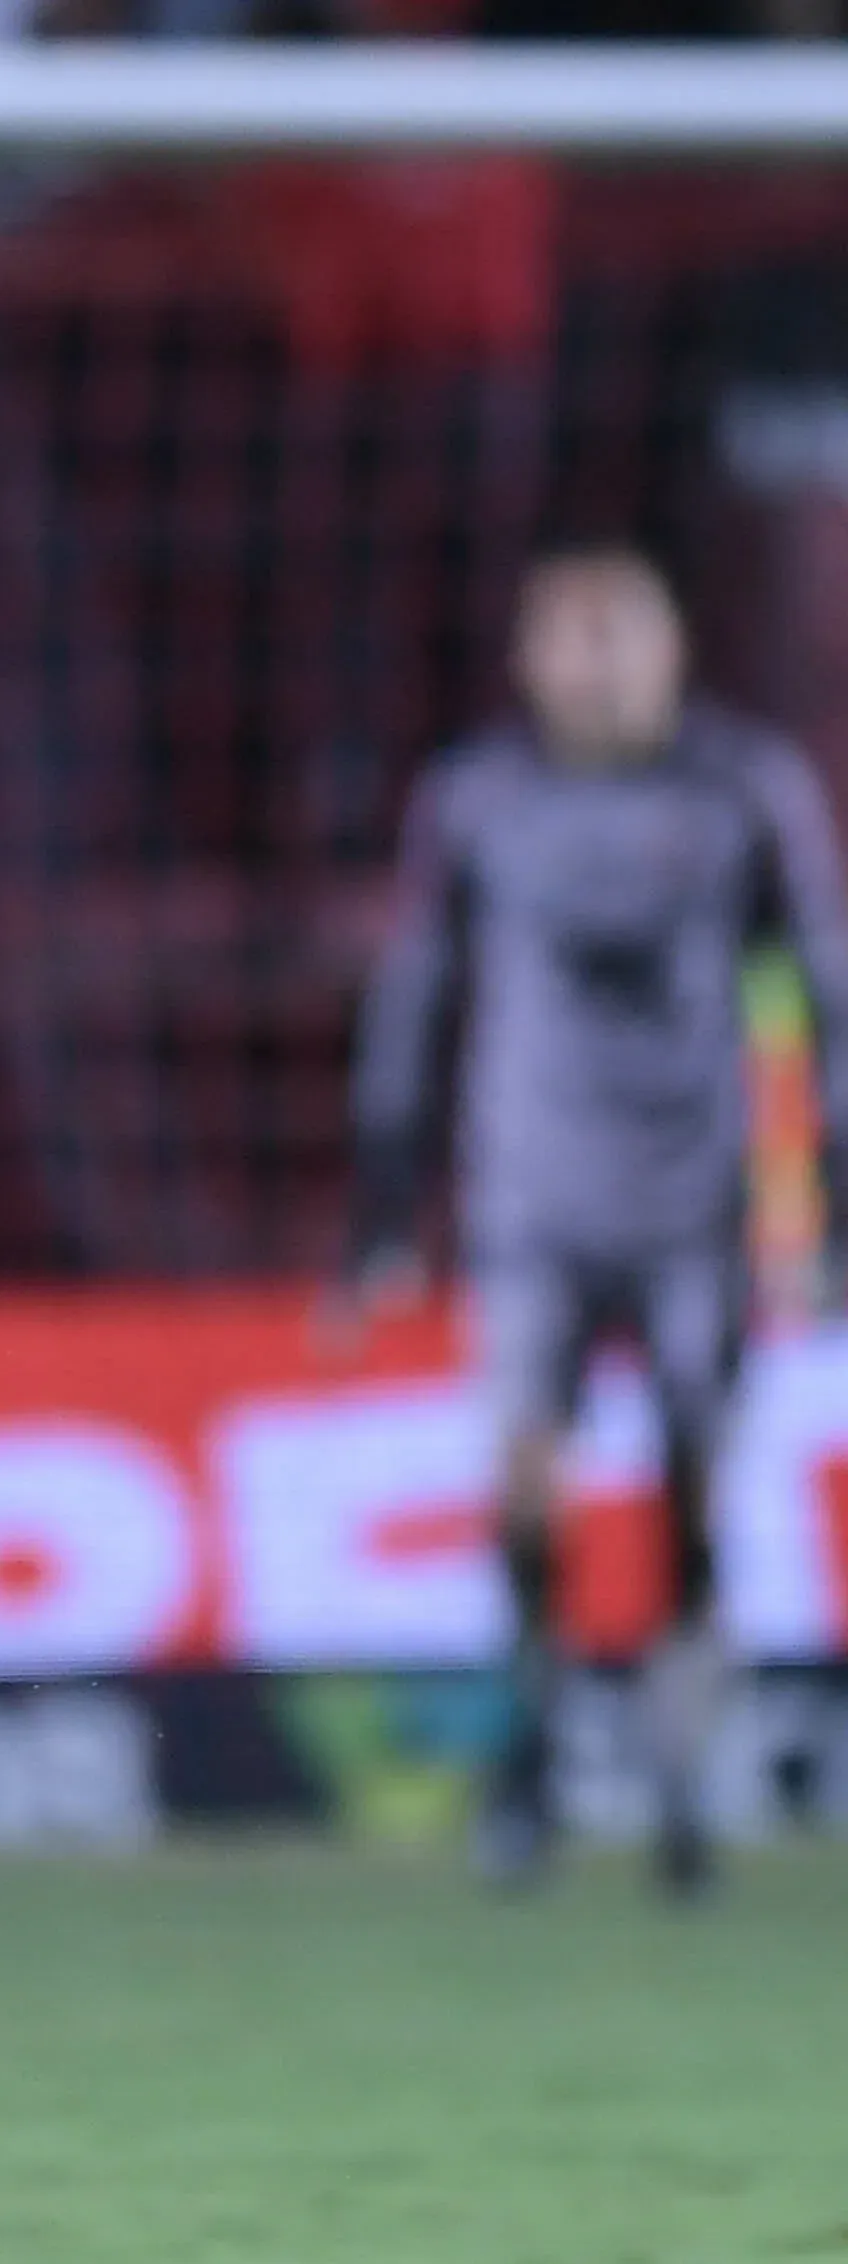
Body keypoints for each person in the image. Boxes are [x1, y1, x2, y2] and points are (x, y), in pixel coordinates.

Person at [342, 542, 848, 1895]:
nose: (600, 663)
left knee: (694, 1483)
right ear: (528, 660)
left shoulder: (748, 789)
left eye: (624, 632)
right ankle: (531, 1755)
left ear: (676, 646)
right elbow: (416, 989)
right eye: (572, 636)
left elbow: (824, 985)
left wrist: (828, 1192)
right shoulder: (480, 798)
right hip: (531, 1199)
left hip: (698, 1202)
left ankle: (682, 1779)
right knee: (525, 1482)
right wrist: (383, 1195)